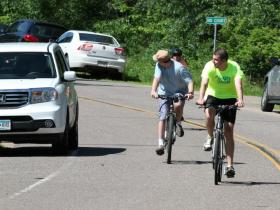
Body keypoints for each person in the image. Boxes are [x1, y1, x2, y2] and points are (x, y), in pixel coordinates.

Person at [196, 48, 245, 178]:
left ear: (224, 61)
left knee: (228, 130)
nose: (214, 61)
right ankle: (210, 136)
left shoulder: (234, 67)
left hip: (230, 97)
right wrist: (201, 98)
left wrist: (240, 100)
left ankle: (229, 166)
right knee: (209, 114)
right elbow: (204, 83)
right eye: (213, 58)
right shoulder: (209, 66)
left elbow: (238, 84)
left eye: (216, 59)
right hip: (213, 95)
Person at [151, 50, 194, 155]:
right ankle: (160, 143)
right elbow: (157, 78)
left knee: (178, 104)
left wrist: (190, 93)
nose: (157, 62)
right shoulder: (159, 65)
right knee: (162, 116)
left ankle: (178, 123)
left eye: (159, 61)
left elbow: (189, 81)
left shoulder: (179, 67)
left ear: (165, 61)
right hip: (164, 92)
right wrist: (153, 90)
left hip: (179, 91)